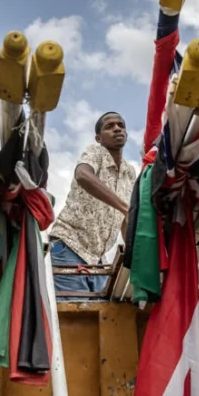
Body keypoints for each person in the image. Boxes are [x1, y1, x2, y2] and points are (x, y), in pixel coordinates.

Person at [49, 112, 136, 296]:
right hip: (69, 246)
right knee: (74, 317)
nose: (117, 128)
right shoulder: (95, 152)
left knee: (100, 317)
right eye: (109, 126)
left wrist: (132, 255)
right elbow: (82, 175)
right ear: (99, 138)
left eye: (121, 125)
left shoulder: (129, 172)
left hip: (97, 260)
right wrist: (124, 208)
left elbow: (124, 218)